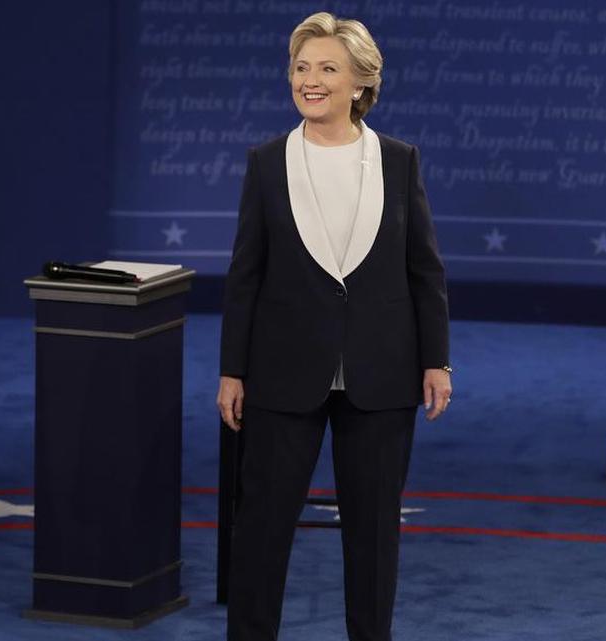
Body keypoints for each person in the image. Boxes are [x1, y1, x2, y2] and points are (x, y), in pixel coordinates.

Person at [217, 12, 452, 641]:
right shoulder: (267, 163)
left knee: (375, 532)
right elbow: (245, 274)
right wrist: (232, 370)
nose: (310, 81)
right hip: (281, 373)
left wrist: (437, 360)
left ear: (360, 84)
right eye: (301, 68)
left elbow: (423, 269)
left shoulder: (399, 162)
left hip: (384, 374)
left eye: (327, 69)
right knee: (263, 526)